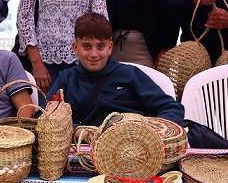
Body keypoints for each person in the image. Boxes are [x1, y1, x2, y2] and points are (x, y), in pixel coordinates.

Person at [47, 13, 184, 128]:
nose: (94, 54)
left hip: (131, 149)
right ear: (75, 48)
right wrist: (77, 131)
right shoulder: (67, 79)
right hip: (83, 150)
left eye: (101, 47)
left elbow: (172, 108)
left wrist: (149, 130)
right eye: (87, 47)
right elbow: (44, 117)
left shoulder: (130, 74)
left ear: (110, 47)